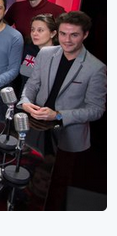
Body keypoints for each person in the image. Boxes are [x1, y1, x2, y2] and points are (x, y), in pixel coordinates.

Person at [17, 11, 106, 152]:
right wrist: (25, 102)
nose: (67, 40)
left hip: (69, 138)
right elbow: (32, 84)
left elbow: (96, 110)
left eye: (74, 35)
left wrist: (58, 115)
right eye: (63, 34)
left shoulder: (96, 68)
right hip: (36, 128)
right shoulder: (45, 53)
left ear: (85, 35)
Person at [19, 13, 58, 86]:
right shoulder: (27, 49)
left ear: (52, 33)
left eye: (40, 30)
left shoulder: (59, 55)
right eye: (32, 30)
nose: (34, 33)